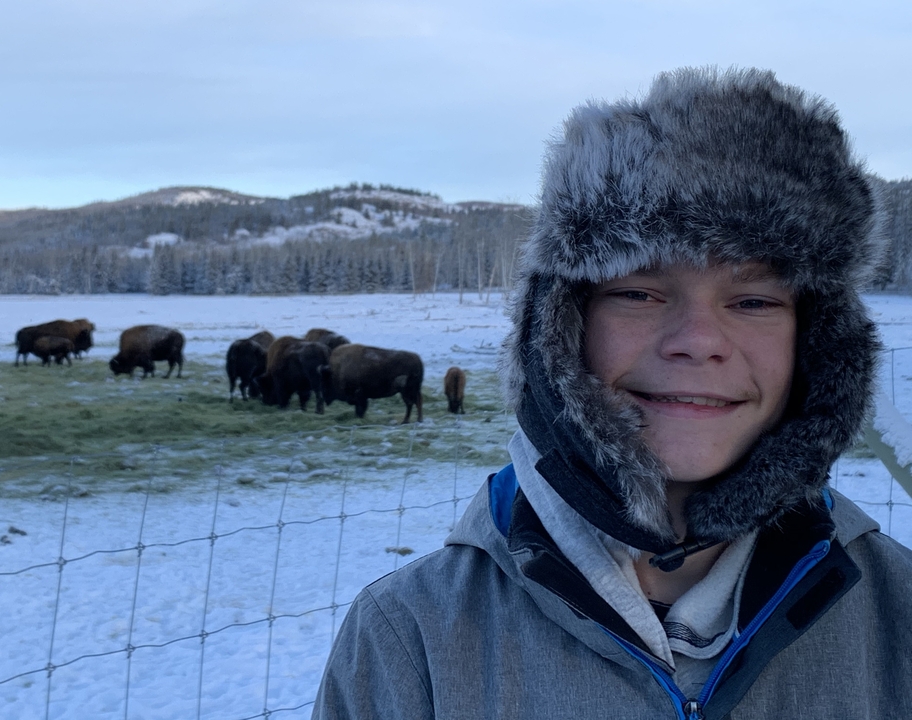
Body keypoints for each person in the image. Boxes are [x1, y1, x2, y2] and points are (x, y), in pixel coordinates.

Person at [311, 67, 912, 719]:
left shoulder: (898, 617)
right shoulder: (410, 640)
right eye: (638, 293)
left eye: (754, 299)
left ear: (819, 344)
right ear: (560, 329)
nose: (698, 341)